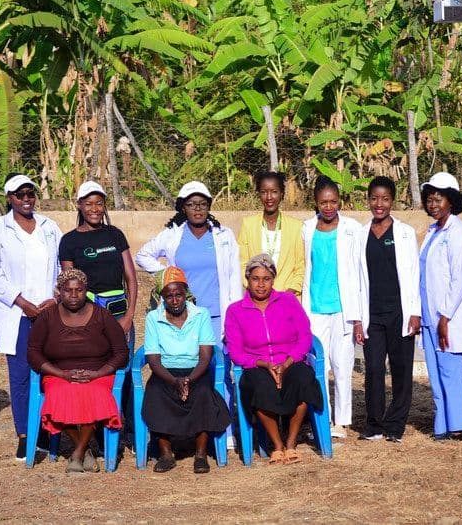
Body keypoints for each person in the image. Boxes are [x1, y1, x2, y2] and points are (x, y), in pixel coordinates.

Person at [135, 181, 241, 444]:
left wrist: (235, 317)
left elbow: (234, 276)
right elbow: (143, 255)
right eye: (192, 204)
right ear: (183, 207)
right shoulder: (172, 234)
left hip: (216, 314)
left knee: (220, 369)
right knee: (185, 369)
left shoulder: (223, 235)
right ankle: (187, 428)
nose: (198, 210)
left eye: (203, 204)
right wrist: (165, 276)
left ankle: (223, 431)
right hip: (182, 316)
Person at [0, 174, 62, 460]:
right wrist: (21, 301)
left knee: (49, 373)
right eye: (20, 195)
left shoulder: (50, 227)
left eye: (30, 194)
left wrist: (56, 297)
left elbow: (61, 267)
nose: (26, 199)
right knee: (20, 377)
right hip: (17, 312)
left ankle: (49, 431)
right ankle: (24, 434)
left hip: (49, 312)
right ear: (9, 198)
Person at [59, 180, 138, 443]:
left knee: (122, 372)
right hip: (89, 319)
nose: (94, 208)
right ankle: (97, 435)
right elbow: (69, 283)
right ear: (79, 205)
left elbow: (131, 277)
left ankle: (126, 434)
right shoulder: (69, 241)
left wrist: (129, 317)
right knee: (96, 373)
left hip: (119, 315)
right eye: (89, 203)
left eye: (99, 203)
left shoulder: (115, 235)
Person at [27, 268, 128, 473]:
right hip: (59, 374)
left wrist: (98, 373)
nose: (74, 295)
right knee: (58, 395)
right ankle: (85, 450)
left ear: (86, 291)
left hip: (97, 373)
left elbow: (121, 352)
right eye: (68, 290)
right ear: (59, 292)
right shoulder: (47, 317)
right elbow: (33, 353)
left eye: (79, 290)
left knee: (96, 393)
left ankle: (78, 453)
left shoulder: (102, 315)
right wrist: (61, 374)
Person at [225, 254, 322, 464]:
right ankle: (277, 445)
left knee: (303, 380)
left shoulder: (288, 301)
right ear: (247, 280)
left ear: (273, 280)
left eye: (266, 279)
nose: (261, 284)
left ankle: (291, 443)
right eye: (255, 278)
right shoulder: (235, 311)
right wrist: (265, 364)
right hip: (257, 365)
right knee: (258, 386)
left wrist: (287, 362)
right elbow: (236, 351)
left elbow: (305, 336)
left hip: (290, 361)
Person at [142, 267, 230, 474]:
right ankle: (166, 454)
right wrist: (174, 381)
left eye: (178, 294)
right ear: (161, 297)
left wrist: (188, 380)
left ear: (186, 293)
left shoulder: (201, 315)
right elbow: (153, 360)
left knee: (203, 394)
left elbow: (206, 355)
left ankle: (200, 454)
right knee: (155, 393)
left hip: (196, 369)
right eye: (169, 296)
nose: (174, 300)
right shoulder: (153, 318)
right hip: (165, 371)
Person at [353, 176, 421, 443]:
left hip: (400, 312)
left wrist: (414, 312)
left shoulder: (404, 234)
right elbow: (356, 278)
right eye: (374, 198)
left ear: (392, 201)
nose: (378, 204)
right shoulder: (361, 234)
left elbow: (414, 274)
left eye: (384, 199)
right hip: (373, 315)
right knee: (373, 369)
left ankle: (395, 425)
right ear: (368, 200)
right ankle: (374, 424)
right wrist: (358, 320)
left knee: (402, 368)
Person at [301, 175, 362, 438]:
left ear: (340, 202)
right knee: (318, 366)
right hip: (315, 307)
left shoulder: (352, 228)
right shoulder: (307, 229)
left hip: (343, 308)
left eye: (333, 202)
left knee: (342, 363)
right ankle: (322, 418)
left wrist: (359, 316)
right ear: (315, 202)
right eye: (324, 202)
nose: (329, 207)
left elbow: (360, 272)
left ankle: (343, 421)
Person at [419, 172, 462, 441]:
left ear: (451, 201)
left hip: (447, 316)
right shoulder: (432, 232)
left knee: (450, 370)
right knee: (435, 371)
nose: (433, 204)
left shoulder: (458, 233)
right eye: (430, 200)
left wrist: (445, 316)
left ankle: (459, 425)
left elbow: (461, 278)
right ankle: (442, 423)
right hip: (430, 315)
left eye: (439, 199)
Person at [237, 171, 304, 296]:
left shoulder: (296, 227)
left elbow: (301, 266)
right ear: (259, 194)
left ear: (282, 194)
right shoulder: (248, 225)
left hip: (287, 298)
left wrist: (289, 293)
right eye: (264, 192)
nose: (269, 197)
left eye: (274, 191)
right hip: (257, 298)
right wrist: (255, 287)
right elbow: (241, 263)